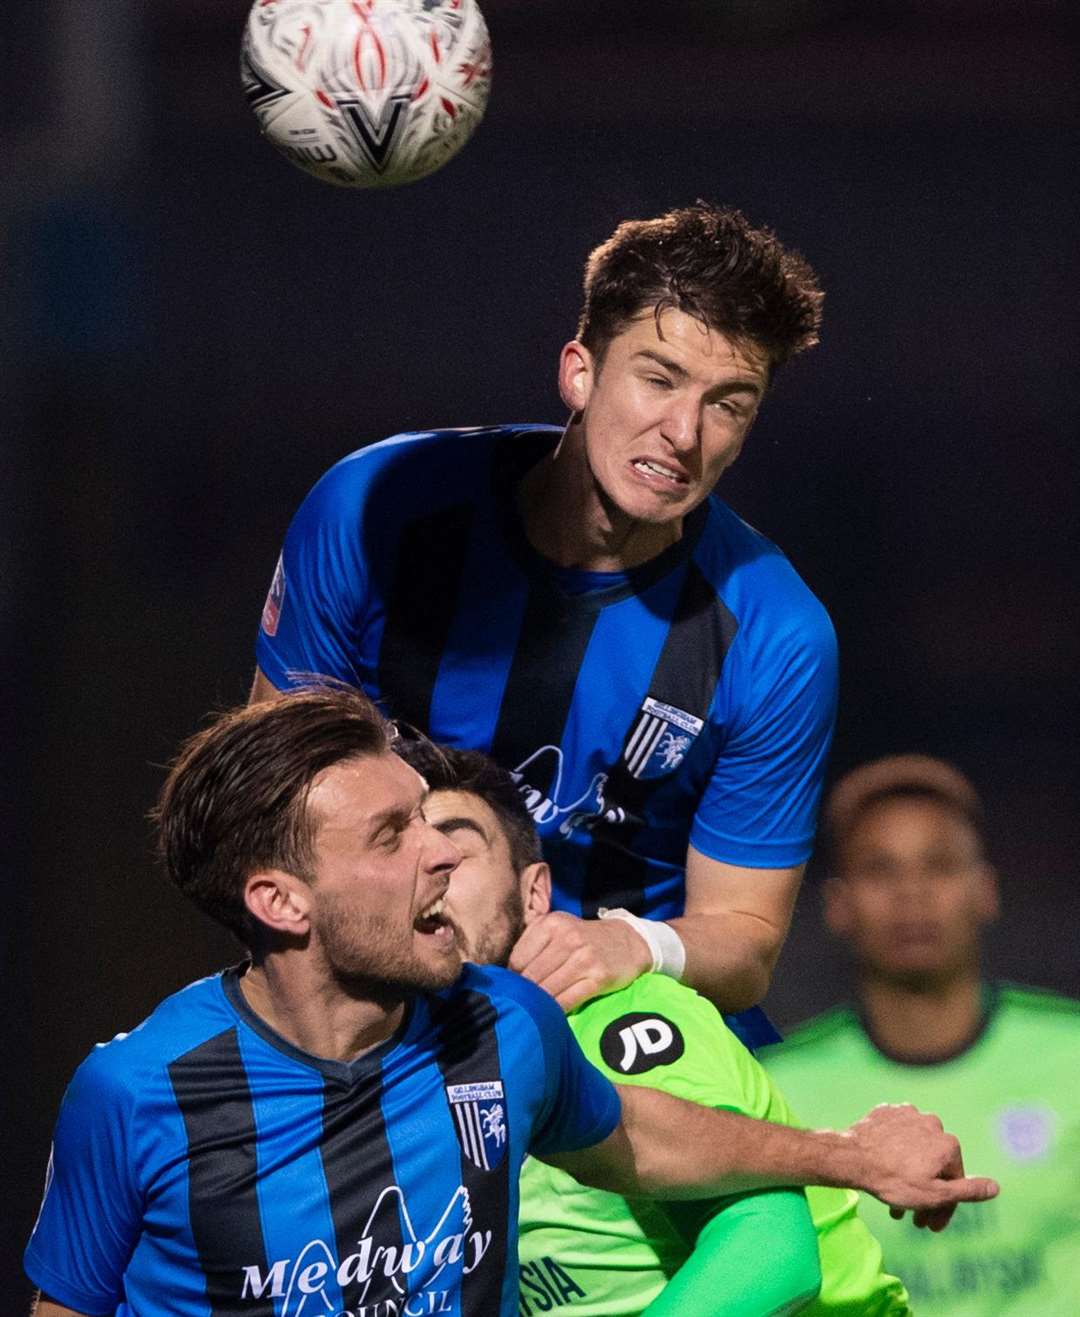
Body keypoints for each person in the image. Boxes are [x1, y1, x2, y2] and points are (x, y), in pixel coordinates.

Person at [25, 693, 996, 1317]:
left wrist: (851, 1159)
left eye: (442, 825)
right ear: (281, 901)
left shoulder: (505, 1024)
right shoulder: (134, 1095)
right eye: (392, 834)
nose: (440, 853)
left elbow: (645, 1138)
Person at [249, 202, 837, 1044]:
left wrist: (629, 945)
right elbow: (268, 801)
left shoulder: (778, 635)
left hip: (634, 1036)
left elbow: (743, 942)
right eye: (659, 377)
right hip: (388, 1008)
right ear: (579, 372)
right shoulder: (375, 514)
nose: (682, 433)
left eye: (728, 404)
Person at [396, 734, 913, 1316]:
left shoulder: (613, 1014)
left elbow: (772, 1250)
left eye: (455, 850)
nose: (431, 870)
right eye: (400, 853)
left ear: (534, 893)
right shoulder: (404, 1078)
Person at [761, 754, 1080, 1315]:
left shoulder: (1072, 1054)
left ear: (986, 890)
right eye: (880, 869)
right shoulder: (775, 1088)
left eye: (939, 864)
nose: (912, 892)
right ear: (838, 905)